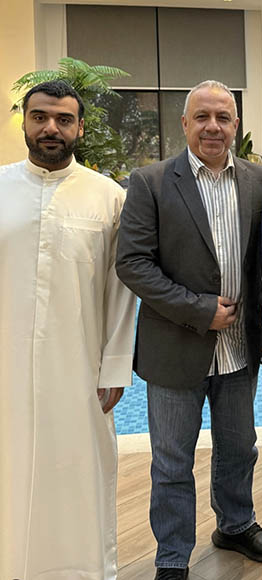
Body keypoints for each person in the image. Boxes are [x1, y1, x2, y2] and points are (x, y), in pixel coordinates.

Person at [116, 80, 262, 580]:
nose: (213, 127)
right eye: (202, 117)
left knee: (240, 449)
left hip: (238, 349)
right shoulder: (150, 182)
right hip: (174, 348)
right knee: (171, 461)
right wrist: (198, 309)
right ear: (185, 123)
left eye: (223, 117)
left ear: (236, 125)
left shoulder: (261, 180)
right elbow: (133, 264)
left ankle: (235, 524)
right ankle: (172, 556)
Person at [0, 80, 136, 580]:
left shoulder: (109, 198)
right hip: (6, 367)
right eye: (40, 117)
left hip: (79, 369)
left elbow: (122, 291)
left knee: (79, 473)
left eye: (63, 119)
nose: (50, 128)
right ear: (25, 122)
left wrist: (114, 366)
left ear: (80, 127)